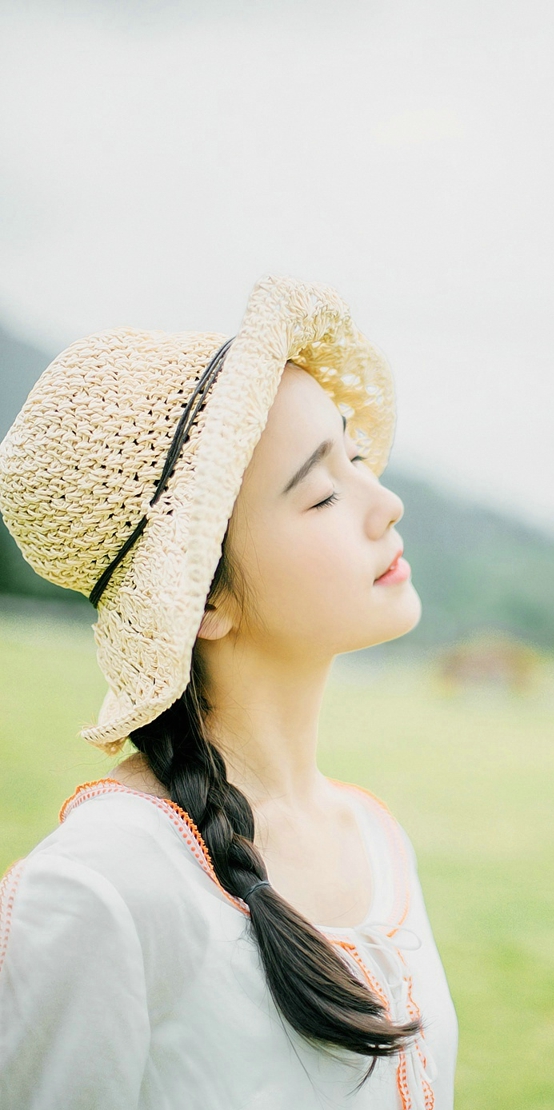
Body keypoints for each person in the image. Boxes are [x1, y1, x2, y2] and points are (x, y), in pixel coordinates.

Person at [0, 275, 458, 1109]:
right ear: (202, 598)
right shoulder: (100, 889)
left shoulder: (377, 839)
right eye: (323, 491)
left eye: (356, 456)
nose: (385, 503)